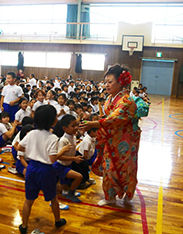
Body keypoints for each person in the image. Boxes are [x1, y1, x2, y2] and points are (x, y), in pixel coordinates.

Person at [79, 64, 141, 206]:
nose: (106, 85)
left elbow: (113, 119)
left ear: (121, 82)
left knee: (126, 168)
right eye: (105, 82)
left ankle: (128, 193)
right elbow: (108, 117)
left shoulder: (127, 101)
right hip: (111, 138)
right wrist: (97, 119)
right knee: (109, 167)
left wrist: (92, 124)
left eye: (110, 82)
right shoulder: (110, 99)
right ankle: (110, 197)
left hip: (125, 141)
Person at [17, 105, 71, 234]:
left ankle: (24, 226)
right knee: (53, 198)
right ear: (53, 121)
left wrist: (32, 150)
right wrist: (62, 150)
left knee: (28, 200)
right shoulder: (52, 138)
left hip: (31, 168)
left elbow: (19, 147)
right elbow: (52, 159)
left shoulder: (31, 133)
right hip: (46, 170)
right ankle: (58, 221)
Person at [53, 114, 83, 202]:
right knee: (79, 177)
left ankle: (66, 191)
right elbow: (60, 157)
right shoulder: (63, 140)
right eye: (73, 126)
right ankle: (71, 194)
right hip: (60, 166)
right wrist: (74, 158)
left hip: (67, 165)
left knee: (63, 187)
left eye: (76, 125)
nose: (76, 128)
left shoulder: (73, 136)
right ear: (64, 128)